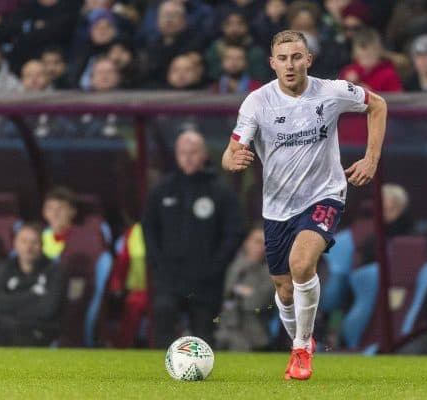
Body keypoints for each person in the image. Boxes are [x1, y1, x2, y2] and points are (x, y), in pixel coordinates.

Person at [221, 30, 386, 380]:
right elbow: (231, 150)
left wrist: (371, 159)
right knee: (282, 288)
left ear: (308, 59)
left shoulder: (332, 92)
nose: (290, 65)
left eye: (297, 57)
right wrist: (231, 161)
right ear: (272, 63)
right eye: (282, 59)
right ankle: (301, 342)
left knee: (301, 264)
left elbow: (378, 105)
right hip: (278, 206)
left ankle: (301, 348)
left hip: (325, 194)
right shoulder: (257, 102)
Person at [143, 129, 244, 349]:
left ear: (204, 154)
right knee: (163, 324)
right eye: (183, 152)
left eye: (193, 152)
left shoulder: (221, 191)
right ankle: (162, 376)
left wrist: (216, 266)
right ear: (176, 155)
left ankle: (200, 376)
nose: (188, 157)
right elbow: (149, 229)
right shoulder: (162, 190)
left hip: (207, 280)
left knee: (204, 334)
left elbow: (234, 232)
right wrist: (159, 264)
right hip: (169, 277)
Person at [0, 223, 65, 346]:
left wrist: (9, 306)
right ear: (15, 243)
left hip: (39, 329)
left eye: (34, 242)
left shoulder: (55, 270)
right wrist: (33, 296)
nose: (28, 247)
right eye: (24, 241)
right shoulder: (5, 267)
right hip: (5, 328)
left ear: (42, 245)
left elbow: (47, 309)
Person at [215, 225, 274, 351]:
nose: (261, 248)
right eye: (257, 242)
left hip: (255, 338)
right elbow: (221, 295)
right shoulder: (230, 265)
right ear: (246, 242)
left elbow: (254, 303)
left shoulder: (272, 273)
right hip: (220, 331)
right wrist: (243, 291)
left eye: (265, 243)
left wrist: (235, 290)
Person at [107, 222, 150, 348]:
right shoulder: (134, 231)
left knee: (159, 330)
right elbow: (123, 258)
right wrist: (117, 284)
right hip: (137, 290)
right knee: (128, 328)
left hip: (160, 289)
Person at [42, 187, 77, 261]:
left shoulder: (82, 238)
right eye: (50, 208)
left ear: (72, 211)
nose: (55, 213)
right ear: (44, 212)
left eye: (61, 208)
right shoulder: (37, 236)